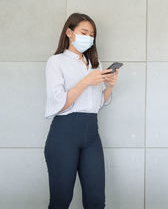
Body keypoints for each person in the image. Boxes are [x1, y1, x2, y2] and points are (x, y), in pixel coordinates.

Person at [44, 13, 118, 209]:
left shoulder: (95, 64)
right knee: (60, 201)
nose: (89, 37)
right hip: (64, 135)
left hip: (92, 134)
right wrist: (86, 81)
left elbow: (97, 104)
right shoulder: (56, 62)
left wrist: (109, 86)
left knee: (96, 202)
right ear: (69, 32)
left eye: (92, 34)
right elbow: (60, 103)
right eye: (84, 32)